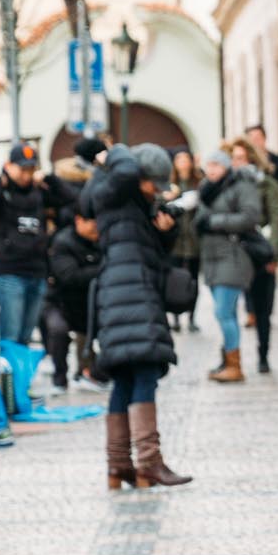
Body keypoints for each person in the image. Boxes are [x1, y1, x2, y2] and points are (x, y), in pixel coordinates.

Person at [82, 144, 190, 489]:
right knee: (143, 370)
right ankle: (148, 463)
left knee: (126, 377)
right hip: (130, 293)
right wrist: (114, 152)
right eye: (152, 183)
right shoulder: (114, 188)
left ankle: (118, 466)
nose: (154, 190)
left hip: (126, 292)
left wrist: (166, 230)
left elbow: (154, 250)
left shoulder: (126, 200)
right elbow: (126, 170)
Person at [0, 143, 74, 345]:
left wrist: (48, 178)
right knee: (9, 336)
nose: (26, 175)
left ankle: (21, 376)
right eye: (21, 169)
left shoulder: (38, 192)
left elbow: (69, 198)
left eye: (31, 169)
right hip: (10, 273)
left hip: (37, 272)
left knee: (25, 337)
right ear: (9, 166)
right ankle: (8, 376)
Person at [195, 147, 264, 384]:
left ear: (226, 167)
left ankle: (235, 366)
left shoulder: (242, 186)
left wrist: (214, 222)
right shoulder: (205, 190)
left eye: (217, 165)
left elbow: (251, 216)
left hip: (234, 257)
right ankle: (227, 360)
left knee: (223, 312)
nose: (212, 170)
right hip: (212, 259)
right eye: (209, 165)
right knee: (228, 313)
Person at [229, 139, 278, 374]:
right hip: (234, 256)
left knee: (263, 309)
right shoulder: (227, 184)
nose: (236, 162)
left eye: (241, 157)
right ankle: (231, 358)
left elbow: (277, 220)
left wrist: (272, 255)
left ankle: (264, 355)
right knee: (229, 309)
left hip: (260, 253)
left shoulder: (267, 184)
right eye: (233, 157)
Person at [42, 210, 105, 394]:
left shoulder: (101, 240)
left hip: (88, 303)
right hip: (58, 303)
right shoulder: (63, 241)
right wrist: (100, 270)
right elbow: (69, 276)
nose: (96, 230)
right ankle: (59, 378)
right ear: (79, 220)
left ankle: (89, 373)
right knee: (58, 330)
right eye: (92, 224)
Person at [164, 149, 204, 331]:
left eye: (185, 159)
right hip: (175, 239)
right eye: (178, 159)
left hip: (194, 240)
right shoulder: (169, 184)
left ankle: (192, 317)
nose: (182, 163)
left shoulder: (198, 183)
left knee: (193, 279)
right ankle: (175, 317)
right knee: (174, 277)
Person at [246, 124, 278, 202]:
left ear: (264, 138)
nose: (255, 143)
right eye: (251, 140)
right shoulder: (245, 164)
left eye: (257, 139)